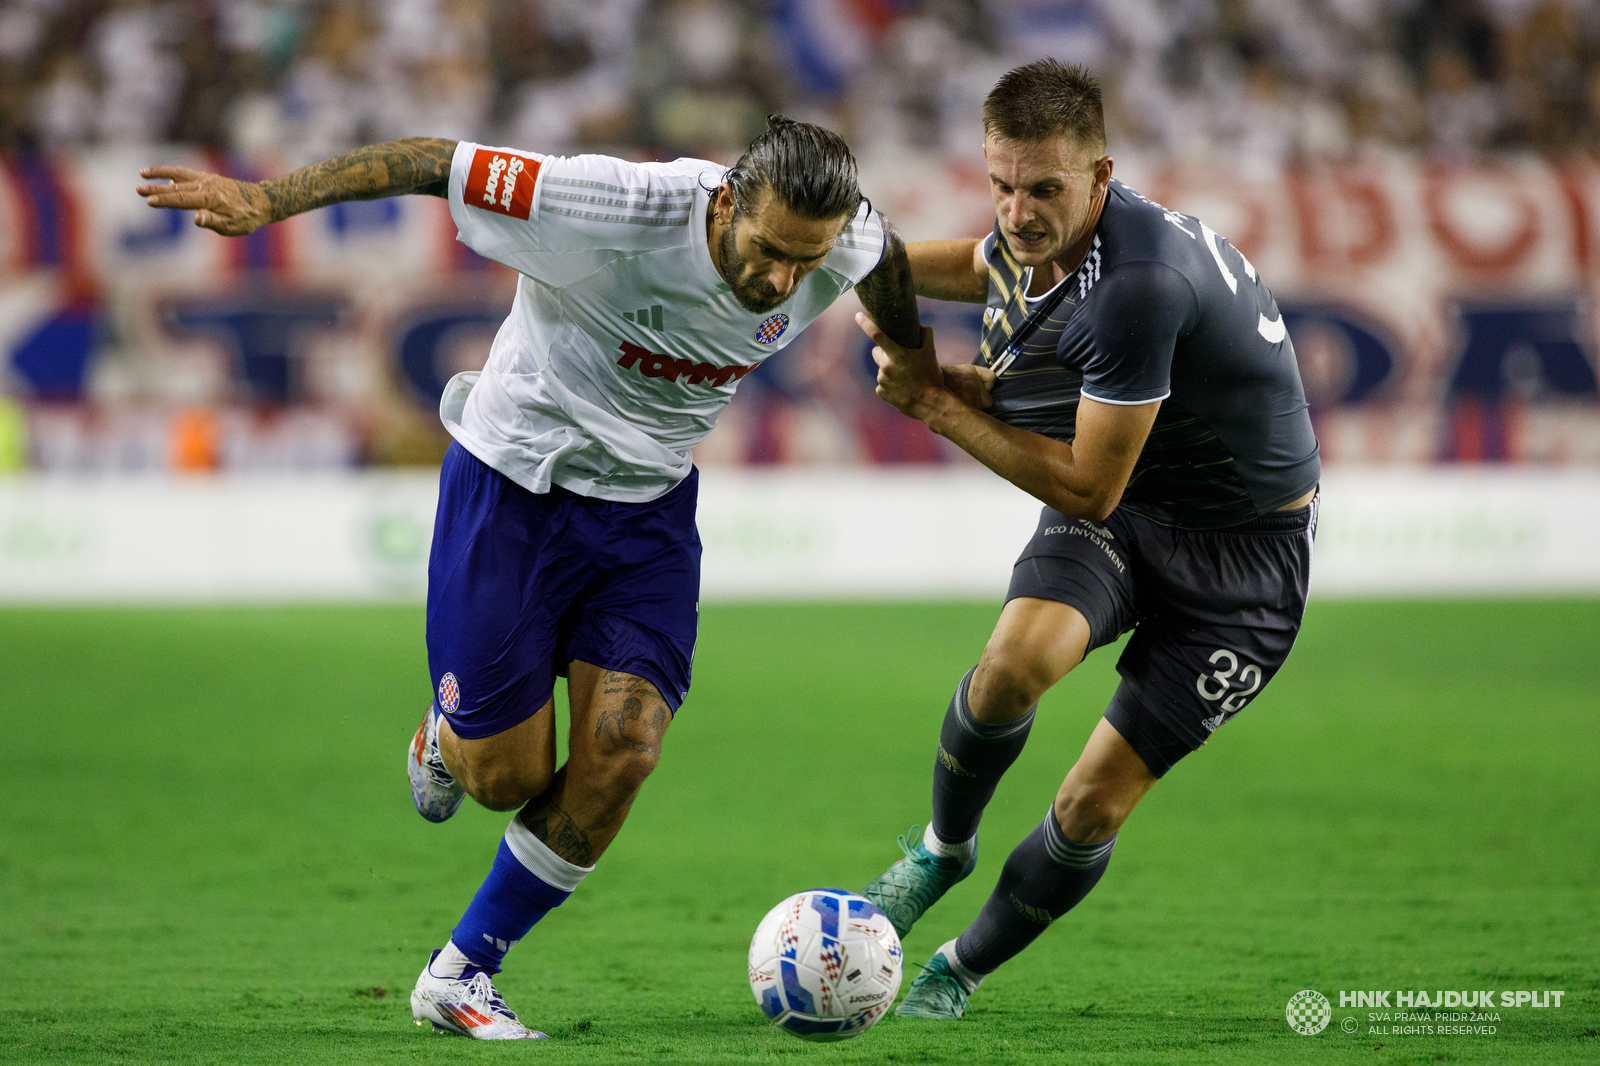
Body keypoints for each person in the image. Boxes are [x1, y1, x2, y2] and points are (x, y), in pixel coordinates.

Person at [137, 117, 923, 1040]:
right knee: (505, 779)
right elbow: (434, 161)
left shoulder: (845, 234)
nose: (781, 282)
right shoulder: (608, 202)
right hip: (516, 483)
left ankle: (463, 971)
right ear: (725, 201)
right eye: (767, 252)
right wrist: (267, 201)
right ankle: (450, 732)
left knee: (626, 748)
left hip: (648, 511)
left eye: (806, 262)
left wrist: (912, 357)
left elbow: (889, 261)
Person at [853, 59, 1321, 1019]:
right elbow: (984, 264)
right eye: (1001, 185)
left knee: (1089, 805)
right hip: (1143, 507)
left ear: (1101, 176)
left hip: (1243, 563)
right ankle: (941, 849)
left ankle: (957, 971)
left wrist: (936, 404)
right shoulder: (1067, 233)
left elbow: (1086, 485)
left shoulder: (1139, 286)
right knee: (1010, 669)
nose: (1017, 213)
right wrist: (872, 265)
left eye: (1043, 191)